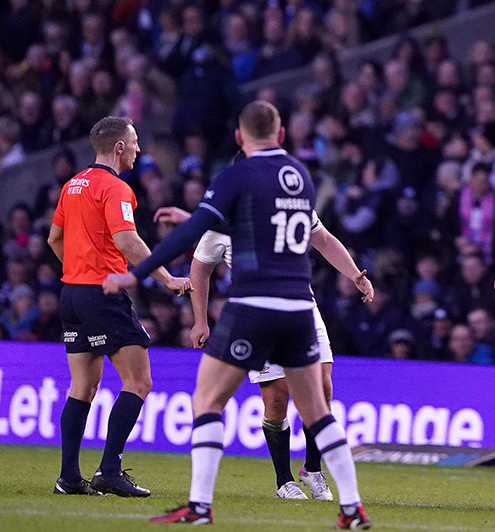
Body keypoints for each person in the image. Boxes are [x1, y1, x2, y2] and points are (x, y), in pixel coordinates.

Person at [102, 101, 369, 528]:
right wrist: (355, 274)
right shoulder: (301, 177)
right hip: (298, 308)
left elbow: (194, 236)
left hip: (254, 308)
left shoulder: (236, 176)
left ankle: (199, 506)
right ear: (281, 135)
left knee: (207, 400)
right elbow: (264, 229)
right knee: (318, 408)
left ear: (241, 138)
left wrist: (138, 273)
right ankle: (352, 509)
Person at [153, 201, 375, 501]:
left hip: (302, 307)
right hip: (258, 316)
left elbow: (322, 239)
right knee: (277, 397)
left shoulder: (294, 202)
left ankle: (312, 468)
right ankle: (284, 480)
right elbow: (200, 269)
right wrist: (200, 320)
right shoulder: (227, 217)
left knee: (322, 388)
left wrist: (354, 275)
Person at [47, 116, 190, 497]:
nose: (139, 149)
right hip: (102, 294)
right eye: (135, 142)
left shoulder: (73, 185)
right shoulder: (116, 187)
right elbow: (127, 240)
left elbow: (54, 238)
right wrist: (167, 278)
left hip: (71, 294)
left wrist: (78, 269)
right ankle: (109, 470)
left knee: (83, 386)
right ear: (119, 147)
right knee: (139, 381)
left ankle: (68, 478)